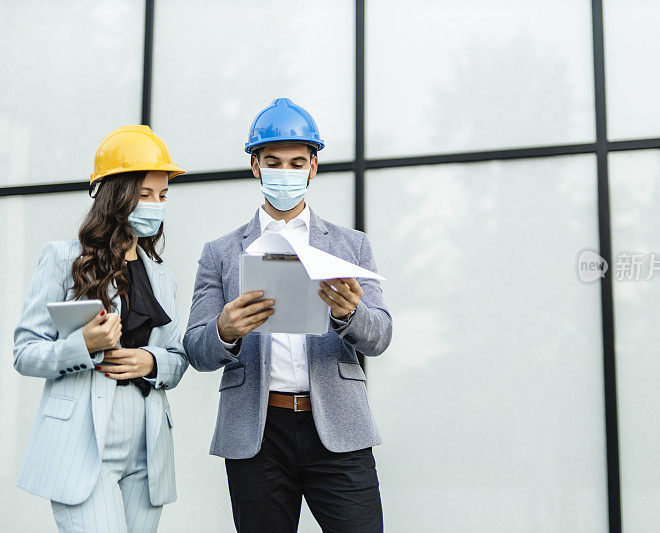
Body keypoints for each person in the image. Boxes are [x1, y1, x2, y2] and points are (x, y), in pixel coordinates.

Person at [183, 98, 392, 532]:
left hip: (337, 427)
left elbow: (380, 336)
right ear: (255, 165)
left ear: (313, 167)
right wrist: (223, 330)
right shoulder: (221, 253)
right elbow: (196, 349)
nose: (286, 172)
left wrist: (349, 314)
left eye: (298, 162)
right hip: (257, 434)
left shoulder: (351, 245)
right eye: (274, 162)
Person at [13, 125, 189, 533]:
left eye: (163, 196)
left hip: (148, 450)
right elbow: (25, 353)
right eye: (144, 194)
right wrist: (83, 346)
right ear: (116, 196)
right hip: (84, 447)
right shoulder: (63, 259)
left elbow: (178, 360)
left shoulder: (162, 277)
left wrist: (151, 360)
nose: (156, 205)